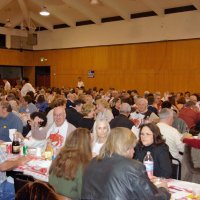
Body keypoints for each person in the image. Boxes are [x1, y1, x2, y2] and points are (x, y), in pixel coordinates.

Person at [81, 127, 171, 200]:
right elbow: (152, 198)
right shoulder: (132, 167)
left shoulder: (93, 162)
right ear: (126, 147)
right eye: (132, 147)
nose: (133, 151)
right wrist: (163, 189)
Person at [49, 128, 92, 199]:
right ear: (86, 145)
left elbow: (50, 180)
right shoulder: (84, 166)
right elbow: (83, 195)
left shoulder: (59, 157)